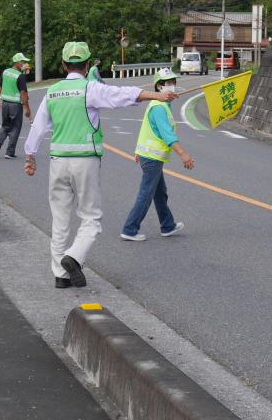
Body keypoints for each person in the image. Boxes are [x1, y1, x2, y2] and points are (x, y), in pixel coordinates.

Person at [23, 41, 178, 289]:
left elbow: (38, 127)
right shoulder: (90, 88)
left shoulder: (52, 92)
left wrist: (30, 156)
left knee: (60, 218)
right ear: (87, 66)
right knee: (91, 218)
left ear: (63, 65)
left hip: (57, 161)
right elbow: (123, 95)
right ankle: (73, 257)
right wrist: (158, 95)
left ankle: (60, 276)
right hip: (85, 160)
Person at [120, 68, 195, 241]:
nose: (172, 86)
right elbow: (167, 135)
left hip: (151, 156)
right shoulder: (159, 107)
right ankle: (129, 229)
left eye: (173, 82)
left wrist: (138, 151)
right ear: (159, 87)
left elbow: (146, 129)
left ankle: (167, 225)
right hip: (152, 158)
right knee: (146, 193)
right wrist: (183, 154)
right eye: (168, 83)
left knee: (160, 192)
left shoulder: (160, 105)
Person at [0, 53, 31, 158]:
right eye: (23, 62)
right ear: (17, 63)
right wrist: (27, 108)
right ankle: (10, 152)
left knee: (5, 126)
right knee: (15, 128)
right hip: (15, 105)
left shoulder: (5, 72)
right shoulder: (20, 76)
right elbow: (23, 94)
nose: (24, 64)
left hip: (5, 104)